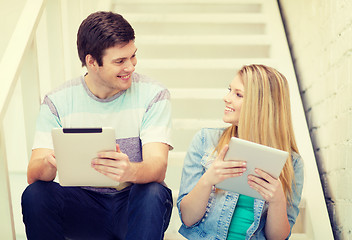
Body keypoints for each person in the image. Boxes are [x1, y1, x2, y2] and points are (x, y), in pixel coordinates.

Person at [21, 11, 173, 240]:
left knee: (154, 191)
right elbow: (34, 174)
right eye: (120, 61)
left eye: (133, 56)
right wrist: (51, 162)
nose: (131, 67)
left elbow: (158, 166)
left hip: (131, 203)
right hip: (82, 205)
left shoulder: (154, 94)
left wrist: (130, 170)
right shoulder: (58, 101)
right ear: (92, 62)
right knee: (36, 194)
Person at [177, 64, 304, 239]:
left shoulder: (291, 163)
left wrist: (277, 201)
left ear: (261, 105)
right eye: (229, 90)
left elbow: (278, 237)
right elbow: (188, 219)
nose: (226, 98)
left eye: (238, 94)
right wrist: (208, 180)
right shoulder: (205, 141)